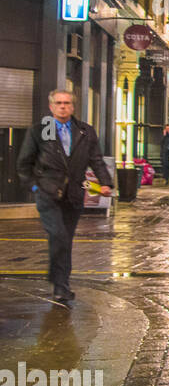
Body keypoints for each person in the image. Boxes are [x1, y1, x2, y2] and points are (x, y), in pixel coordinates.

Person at [16, 90, 114, 305]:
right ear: (51, 107)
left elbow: (96, 159)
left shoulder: (85, 131)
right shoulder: (41, 130)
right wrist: (35, 188)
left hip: (74, 195)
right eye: (58, 103)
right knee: (58, 235)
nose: (63, 107)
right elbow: (24, 164)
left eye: (67, 103)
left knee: (65, 240)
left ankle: (62, 284)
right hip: (48, 194)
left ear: (73, 106)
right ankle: (59, 284)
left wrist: (105, 182)